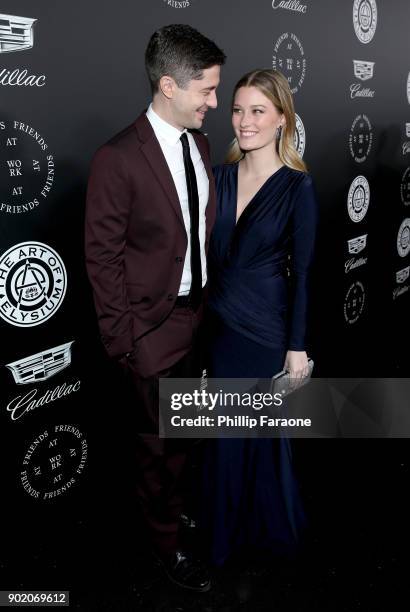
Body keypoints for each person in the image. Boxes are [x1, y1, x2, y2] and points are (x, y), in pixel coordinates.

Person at [85, 24, 225, 591]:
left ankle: (168, 514)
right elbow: (102, 257)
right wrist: (127, 343)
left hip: (199, 322)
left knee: (186, 436)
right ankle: (163, 545)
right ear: (169, 85)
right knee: (156, 447)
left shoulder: (202, 145)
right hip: (151, 332)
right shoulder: (117, 158)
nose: (215, 103)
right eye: (206, 91)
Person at [202, 69, 318, 566]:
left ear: (281, 121)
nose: (244, 121)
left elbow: (305, 274)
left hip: (268, 330)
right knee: (223, 438)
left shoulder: (297, 188)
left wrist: (296, 348)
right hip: (220, 326)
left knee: (262, 436)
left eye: (257, 111)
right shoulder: (218, 177)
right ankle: (221, 538)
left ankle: (264, 539)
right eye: (237, 109)